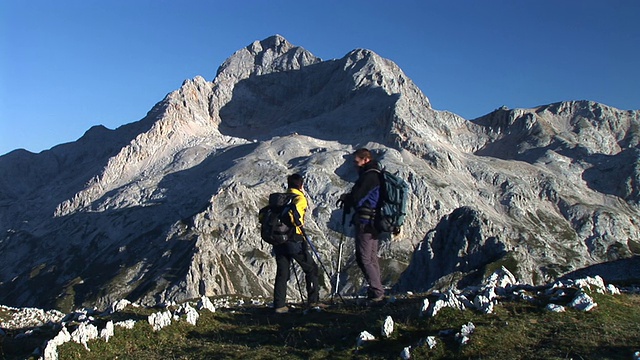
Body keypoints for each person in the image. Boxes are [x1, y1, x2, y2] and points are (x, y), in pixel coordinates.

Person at [339, 148, 385, 302]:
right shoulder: (376, 174)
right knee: (371, 258)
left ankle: (377, 292)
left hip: (366, 221)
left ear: (365, 159)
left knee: (364, 258)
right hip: (374, 221)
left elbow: (358, 196)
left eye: (356, 161)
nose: (355, 164)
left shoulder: (369, 176)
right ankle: (377, 289)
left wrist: (347, 198)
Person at [272, 173, 323, 313]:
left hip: (278, 239)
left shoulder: (282, 199)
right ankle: (313, 301)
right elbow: (295, 218)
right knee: (311, 268)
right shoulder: (299, 198)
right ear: (301, 185)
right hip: (293, 239)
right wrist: (298, 223)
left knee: (282, 272)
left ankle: (279, 305)